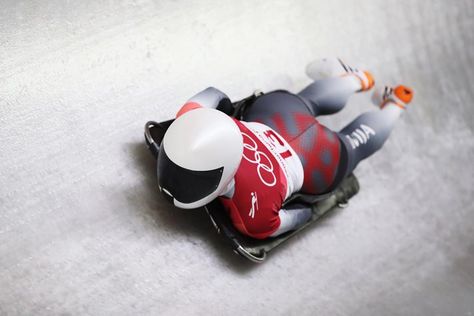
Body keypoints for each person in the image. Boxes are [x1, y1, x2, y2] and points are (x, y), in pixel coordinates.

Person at [157, 58, 414, 239]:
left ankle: (395, 105)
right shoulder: (189, 114)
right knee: (308, 104)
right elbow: (215, 95)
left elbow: (299, 216)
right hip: (281, 118)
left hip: (313, 161)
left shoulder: (252, 219)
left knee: (349, 147)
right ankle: (358, 81)